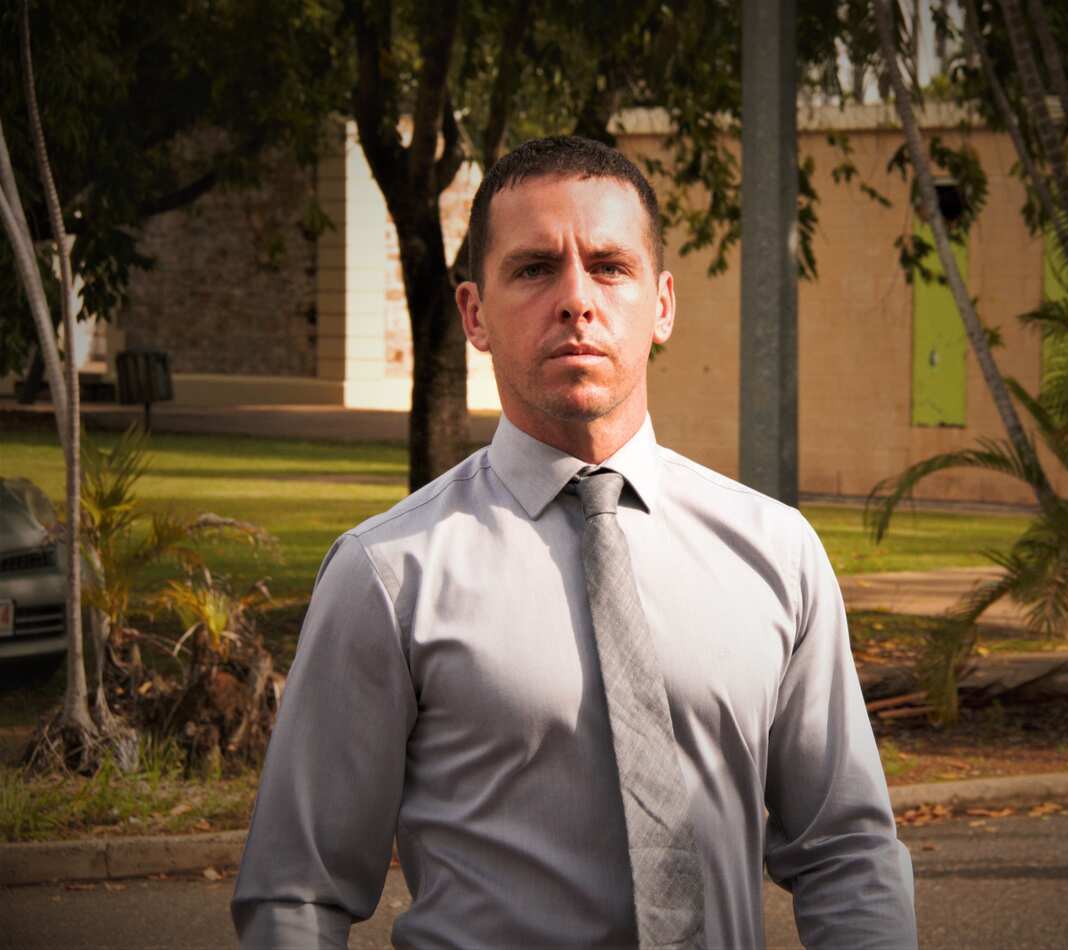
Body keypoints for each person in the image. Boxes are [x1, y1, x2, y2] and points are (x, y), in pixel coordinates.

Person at [231, 135, 917, 949]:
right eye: (534, 269)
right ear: (475, 314)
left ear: (662, 304)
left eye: (609, 266)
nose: (576, 300)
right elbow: (298, 893)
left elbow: (847, 854)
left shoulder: (777, 553)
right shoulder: (388, 573)